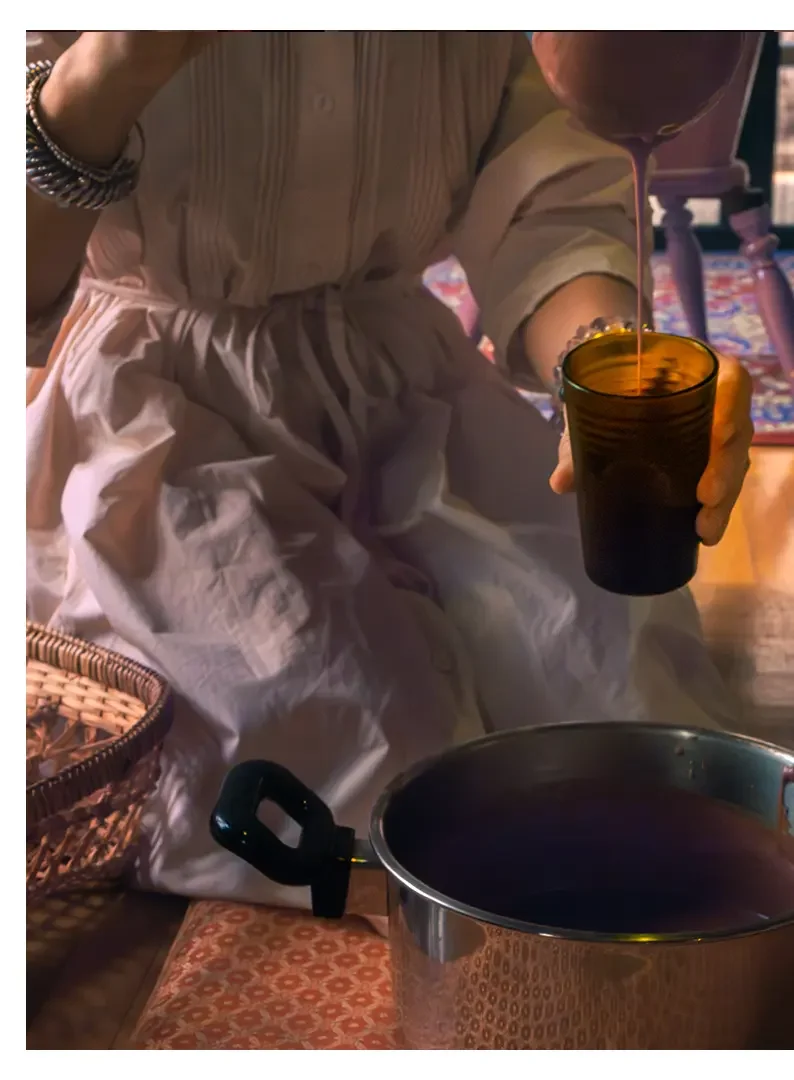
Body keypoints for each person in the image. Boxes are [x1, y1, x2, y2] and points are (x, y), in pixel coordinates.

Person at [27, 31, 753, 908]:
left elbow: (541, 201)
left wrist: (605, 363)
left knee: (622, 691)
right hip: (160, 410)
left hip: (399, 375)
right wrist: (122, 59)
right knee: (354, 750)